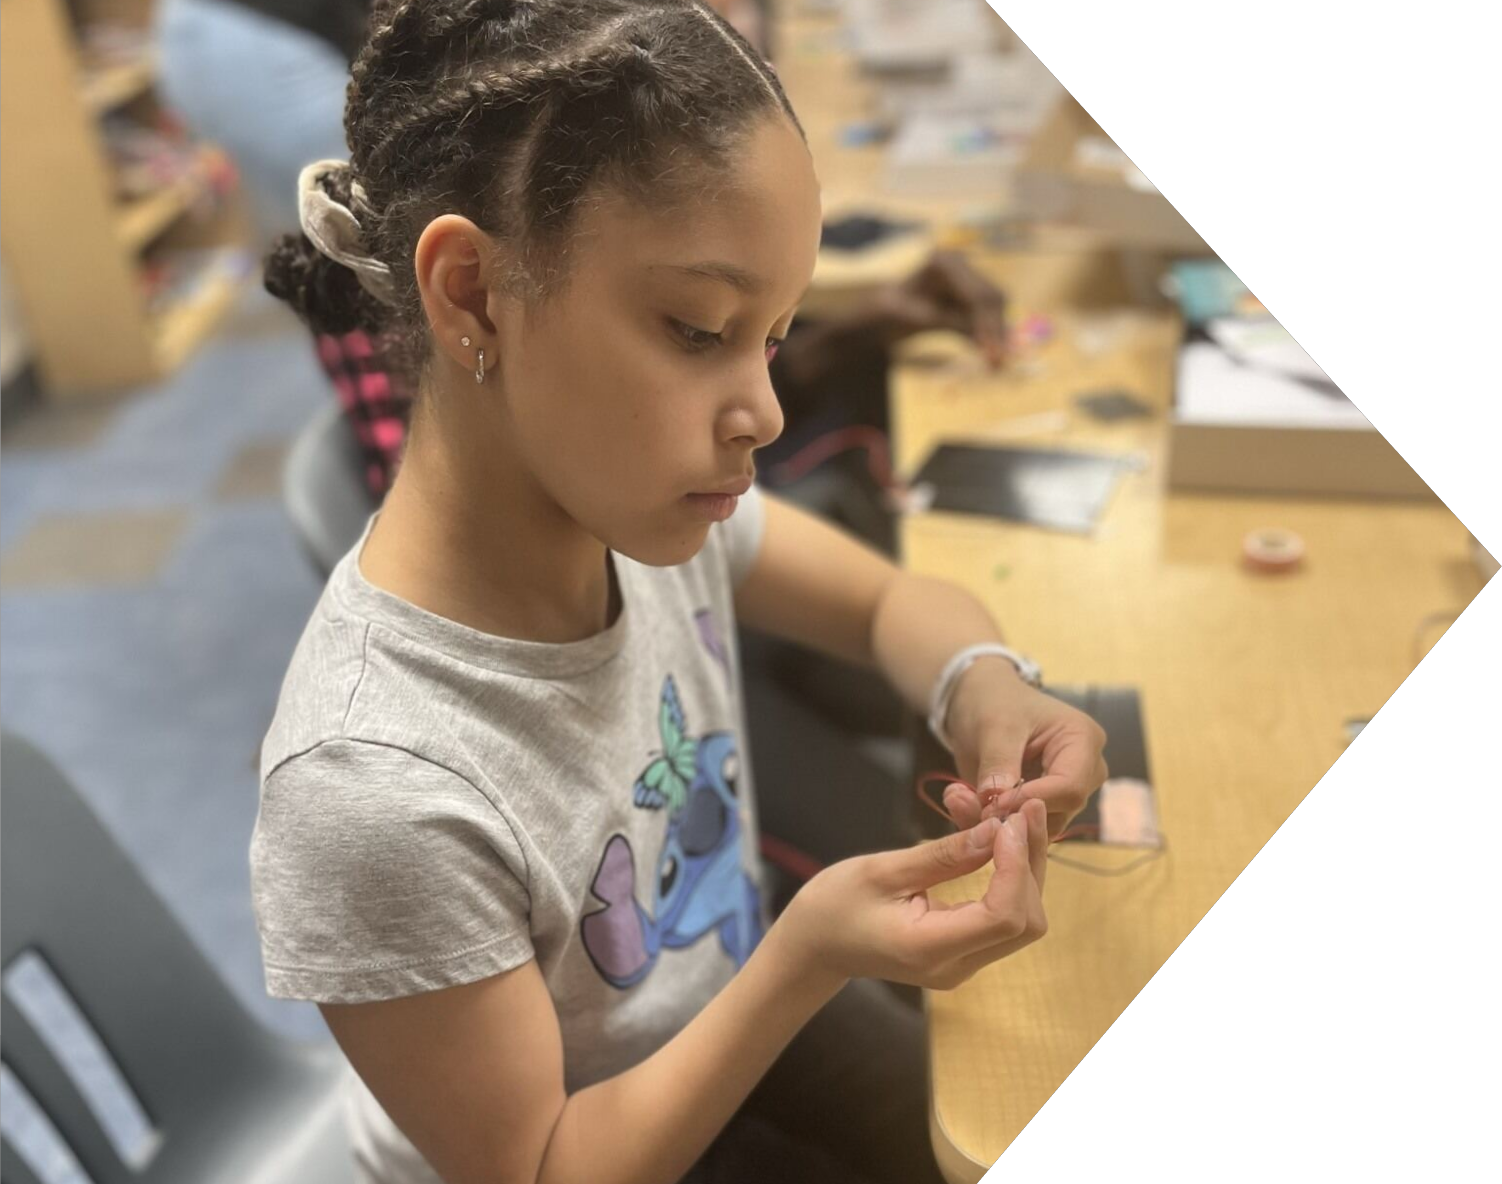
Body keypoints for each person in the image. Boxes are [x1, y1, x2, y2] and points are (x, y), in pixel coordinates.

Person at [255, 4, 1108, 1183]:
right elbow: (544, 1165)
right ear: (469, 295)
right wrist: (804, 955)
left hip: (714, 1003)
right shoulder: (371, 786)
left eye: (772, 337)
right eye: (700, 328)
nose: (762, 410)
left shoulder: (630, 511)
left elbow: (886, 610)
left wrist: (984, 685)